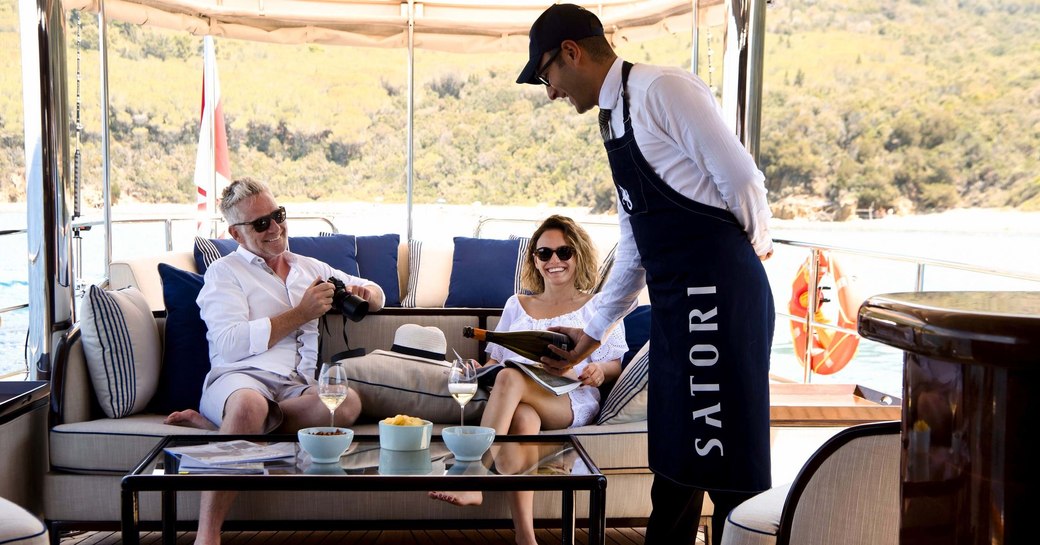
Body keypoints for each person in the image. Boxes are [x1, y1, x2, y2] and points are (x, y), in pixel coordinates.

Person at [515, 5, 776, 545]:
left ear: (572, 52)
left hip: (717, 300)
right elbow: (635, 244)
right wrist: (589, 337)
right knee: (676, 461)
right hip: (679, 307)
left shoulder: (663, 90)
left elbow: (743, 179)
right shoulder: (614, 119)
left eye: (547, 75)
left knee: (725, 466)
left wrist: (749, 252)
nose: (551, 92)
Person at [166, 177, 385, 545]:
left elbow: (375, 292)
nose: (276, 228)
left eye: (278, 215)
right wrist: (300, 313)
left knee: (346, 402)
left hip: (296, 389)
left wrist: (370, 295)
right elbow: (230, 343)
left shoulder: (309, 267)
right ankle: (207, 535)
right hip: (238, 381)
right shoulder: (224, 273)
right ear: (237, 234)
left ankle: (226, 430)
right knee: (250, 404)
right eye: (261, 223)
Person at [429, 214, 628, 545]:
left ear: (578, 255)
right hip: (521, 400)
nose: (554, 261)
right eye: (544, 253)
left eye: (564, 252)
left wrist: (597, 371)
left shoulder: (598, 306)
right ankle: (525, 537)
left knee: (510, 378)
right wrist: (481, 368)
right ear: (534, 260)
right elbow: (496, 358)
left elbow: (614, 366)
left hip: (568, 396)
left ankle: (472, 474)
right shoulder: (516, 303)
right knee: (521, 416)